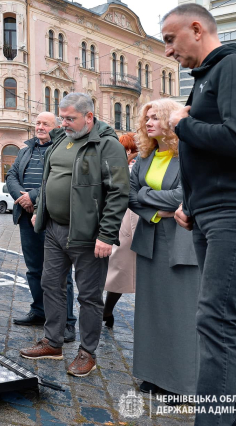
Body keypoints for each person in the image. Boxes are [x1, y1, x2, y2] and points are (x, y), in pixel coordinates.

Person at [162, 3, 236, 424]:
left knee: (214, 318)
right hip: (212, 210)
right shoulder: (208, 77)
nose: (169, 52)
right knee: (232, 319)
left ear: (197, 28)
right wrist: (191, 203)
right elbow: (207, 155)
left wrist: (181, 123)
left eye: (170, 40)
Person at [19, 93, 129, 377]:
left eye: (70, 118)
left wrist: (107, 234)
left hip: (89, 235)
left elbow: (118, 193)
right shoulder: (61, 139)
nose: (64, 123)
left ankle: (87, 353)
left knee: (89, 297)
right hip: (54, 229)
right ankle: (53, 342)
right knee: (51, 285)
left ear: (89, 117)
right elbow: (48, 179)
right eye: (62, 117)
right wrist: (41, 210)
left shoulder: (108, 145)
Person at [128, 100, 199, 400]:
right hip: (150, 240)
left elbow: (185, 194)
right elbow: (130, 195)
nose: (149, 123)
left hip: (182, 245)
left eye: (156, 117)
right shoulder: (144, 157)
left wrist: (148, 196)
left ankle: (182, 384)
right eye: (146, 119)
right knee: (151, 314)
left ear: (171, 120)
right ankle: (153, 375)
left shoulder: (188, 154)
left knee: (181, 316)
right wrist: (156, 208)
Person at [6, 112, 77, 342]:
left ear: (56, 127)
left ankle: (66, 322)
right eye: (37, 123)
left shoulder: (63, 149)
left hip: (53, 216)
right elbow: (11, 175)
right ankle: (40, 311)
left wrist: (34, 197)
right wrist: (21, 197)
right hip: (26, 218)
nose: (40, 127)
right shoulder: (26, 149)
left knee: (60, 273)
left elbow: (60, 179)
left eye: (45, 124)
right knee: (34, 268)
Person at [102, 133, 139, 329]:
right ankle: (106, 310)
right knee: (118, 267)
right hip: (122, 217)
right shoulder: (120, 162)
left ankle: (107, 311)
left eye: (130, 148)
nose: (129, 152)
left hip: (140, 217)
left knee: (129, 268)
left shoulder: (142, 162)